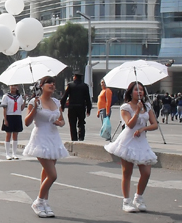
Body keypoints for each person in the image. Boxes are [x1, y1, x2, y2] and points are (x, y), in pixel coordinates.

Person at [104, 81, 158, 213]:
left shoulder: (147, 106)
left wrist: (144, 128)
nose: (139, 92)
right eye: (136, 90)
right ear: (130, 92)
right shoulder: (125, 107)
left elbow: (155, 124)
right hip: (128, 141)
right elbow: (130, 125)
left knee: (146, 172)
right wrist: (137, 111)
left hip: (142, 141)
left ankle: (138, 198)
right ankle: (126, 201)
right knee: (127, 173)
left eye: (141, 90)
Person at [23, 76, 68, 218]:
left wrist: (60, 123)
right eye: (49, 82)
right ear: (41, 85)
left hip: (54, 138)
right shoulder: (34, 102)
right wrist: (34, 109)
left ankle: (45, 203)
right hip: (40, 138)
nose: (52, 85)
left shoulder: (56, 102)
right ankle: (38, 201)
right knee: (52, 175)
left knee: (46, 173)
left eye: (54, 83)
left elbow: (62, 120)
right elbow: (27, 122)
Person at [60, 71, 92, 141]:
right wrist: (88, 109)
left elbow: (65, 97)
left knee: (72, 124)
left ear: (75, 77)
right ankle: (81, 137)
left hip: (72, 107)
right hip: (81, 107)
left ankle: (74, 138)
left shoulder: (70, 85)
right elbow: (88, 98)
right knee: (81, 123)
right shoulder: (85, 86)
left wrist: (62, 106)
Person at [1, 85, 25, 160]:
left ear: (17, 87)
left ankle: (14, 153)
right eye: (12, 86)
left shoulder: (19, 97)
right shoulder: (6, 96)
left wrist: (25, 100)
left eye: (15, 86)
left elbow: (21, 108)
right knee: (8, 134)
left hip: (17, 116)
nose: (13, 87)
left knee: (15, 134)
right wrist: (5, 119)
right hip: (9, 116)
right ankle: (7, 154)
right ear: (9, 87)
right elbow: (4, 109)